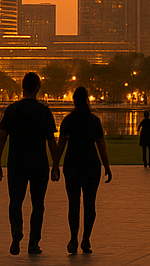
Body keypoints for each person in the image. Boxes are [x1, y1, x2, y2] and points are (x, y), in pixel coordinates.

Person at [0, 71, 60, 256]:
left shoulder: (12, 110)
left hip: (16, 163)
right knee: (38, 204)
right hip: (39, 163)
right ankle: (33, 243)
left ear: (22, 87)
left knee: (15, 201)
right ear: (38, 88)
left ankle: (16, 234)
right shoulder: (44, 111)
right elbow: (51, 141)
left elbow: (1, 139)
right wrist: (55, 165)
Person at [55, 86, 112, 254]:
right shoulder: (94, 121)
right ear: (87, 99)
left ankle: (74, 238)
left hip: (72, 164)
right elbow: (101, 144)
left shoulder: (68, 120)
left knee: (73, 204)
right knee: (90, 204)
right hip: (91, 165)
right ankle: (86, 239)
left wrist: (56, 165)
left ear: (74, 100)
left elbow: (61, 144)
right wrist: (107, 166)